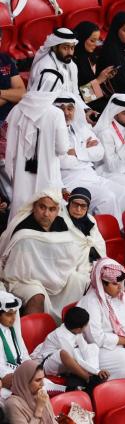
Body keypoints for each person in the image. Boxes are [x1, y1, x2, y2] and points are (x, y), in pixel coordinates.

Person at [0, 190, 95, 316]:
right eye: (42, 207)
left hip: (55, 278)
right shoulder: (23, 229)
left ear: (57, 211)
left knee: (80, 280)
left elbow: (66, 257)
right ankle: (32, 333)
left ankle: (71, 327)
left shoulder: (61, 224)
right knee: (37, 295)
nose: (46, 213)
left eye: (52, 209)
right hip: (24, 280)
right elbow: (15, 271)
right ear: (34, 207)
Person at [3, 70, 68, 216]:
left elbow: (8, 141)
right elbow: (62, 148)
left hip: (21, 170)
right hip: (47, 169)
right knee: (47, 212)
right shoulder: (56, 114)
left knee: (21, 209)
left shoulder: (17, 109)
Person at [31, 306, 105, 392]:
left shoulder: (74, 331)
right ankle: (88, 378)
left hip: (62, 363)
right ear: (78, 329)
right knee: (64, 354)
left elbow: (84, 349)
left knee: (93, 347)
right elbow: (75, 359)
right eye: (85, 325)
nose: (86, 327)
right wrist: (95, 372)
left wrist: (96, 370)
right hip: (45, 364)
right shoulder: (62, 336)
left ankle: (91, 376)